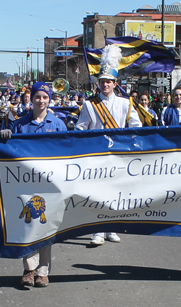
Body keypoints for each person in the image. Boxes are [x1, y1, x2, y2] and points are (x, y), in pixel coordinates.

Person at [0, 82, 67, 288]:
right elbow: (12, 150)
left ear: (49, 100)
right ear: (32, 98)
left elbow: (67, 151)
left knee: (46, 227)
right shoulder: (20, 124)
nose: (41, 101)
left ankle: (43, 272)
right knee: (28, 225)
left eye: (44, 97)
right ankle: (29, 269)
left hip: (50, 184)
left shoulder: (57, 124)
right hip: (27, 182)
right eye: (37, 97)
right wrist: (6, 136)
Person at [75, 44, 142, 245]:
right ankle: (97, 230)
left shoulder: (125, 103)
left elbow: (136, 127)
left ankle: (111, 227)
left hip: (118, 154)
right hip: (96, 154)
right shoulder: (89, 104)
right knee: (96, 193)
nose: (105, 85)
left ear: (115, 83)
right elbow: (81, 127)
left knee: (116, 192)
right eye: (102, 82)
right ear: (99, 83)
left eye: (109, 82)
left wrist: (129, 143)